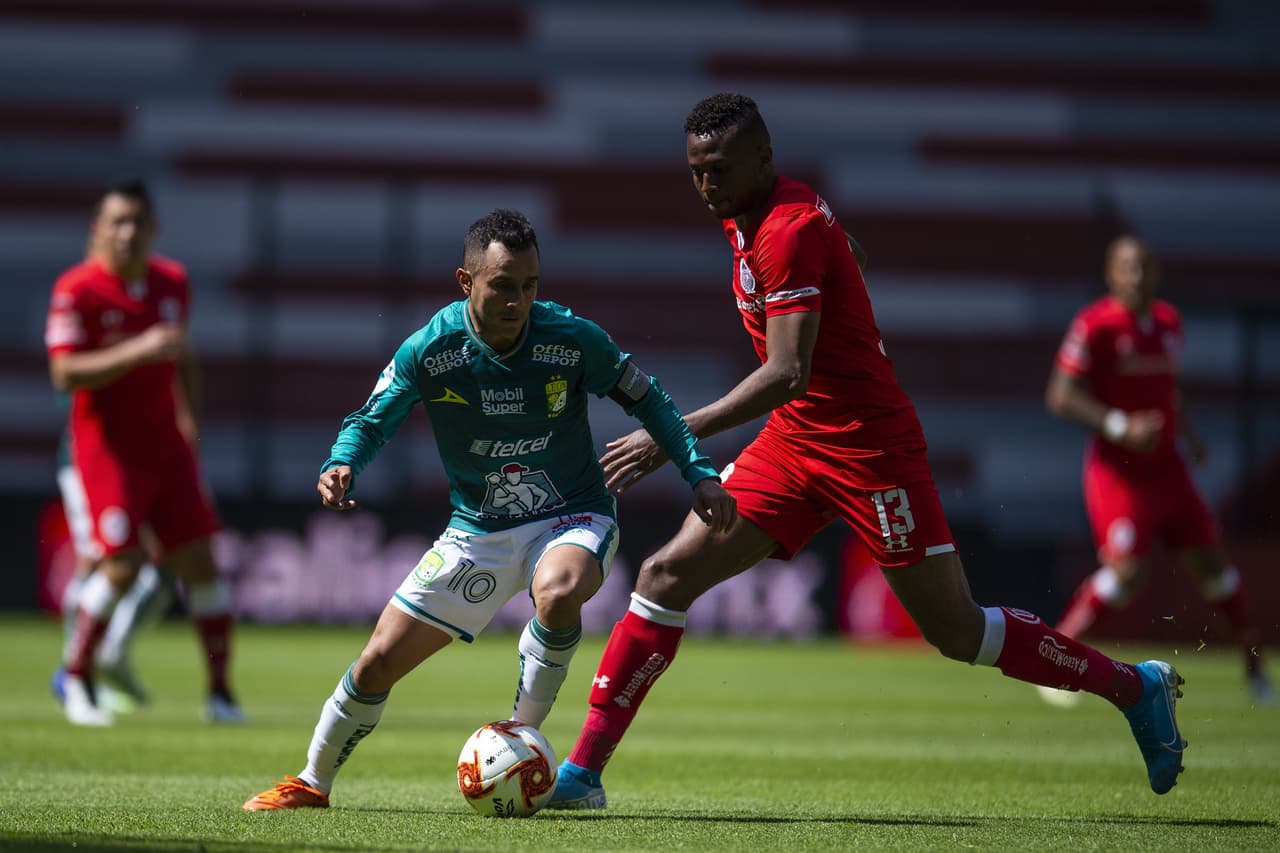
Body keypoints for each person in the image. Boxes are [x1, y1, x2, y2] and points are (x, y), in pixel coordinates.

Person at [548, 93, 1189, 809]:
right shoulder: (758, 212)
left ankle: (1137, 686)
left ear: (764, 158)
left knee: (956, 629)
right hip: (794, 442)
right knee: (666, 574)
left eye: (720, 170)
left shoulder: (784, 228)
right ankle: (582, 774)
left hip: (868, 449)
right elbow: (846, 253)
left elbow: (788, 370)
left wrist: (672, 433)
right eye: (697, 172)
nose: (707, 187)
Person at [241, 208, 734, 811]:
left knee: (557, 591)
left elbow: (649, 400)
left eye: (530, 285)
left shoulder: (572, 339)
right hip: (475, 532)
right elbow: (370, 420)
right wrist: (341, 462)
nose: (518, 300)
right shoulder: (432, 348)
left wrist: (700, 472)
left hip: (573, 514)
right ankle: (312, 783)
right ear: (465, 281)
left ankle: (521, 740)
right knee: (375, 664)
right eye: (502, 284)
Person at [1037, 235, 1272, 708]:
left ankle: (1256, 671)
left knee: (1213, 565)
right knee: (1127, 572)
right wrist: (1118, 424)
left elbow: (1167, 390)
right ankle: (1054, 662)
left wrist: (1189, 435)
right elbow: (1060, 395)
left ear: (1157, 273)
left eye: (1144, 267)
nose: (1136, 277)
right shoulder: (1095, 325)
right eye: (1127, 268)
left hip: (1168, 467)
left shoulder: (1169, 322)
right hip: (1118, 471)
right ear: (1110, 274)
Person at [45, 178, 242, 726]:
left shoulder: (172, 282)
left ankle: (221, 695)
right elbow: (63, 371)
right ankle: (77, 679)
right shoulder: (78, 289)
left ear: (153, 229)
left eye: (137, 222)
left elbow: (183, 358)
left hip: (167, 448)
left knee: (202, 563)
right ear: (99, 230)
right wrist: (137, 349)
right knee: (122, 565)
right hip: (106, 449)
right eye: (117, 222)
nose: (128, 232)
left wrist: (190, 421)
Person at [54, 418, 176, 712]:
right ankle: (77, 671)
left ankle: (108, 655)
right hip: (95, 457)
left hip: (142, 459)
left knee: (165, 561)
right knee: (101, 562)